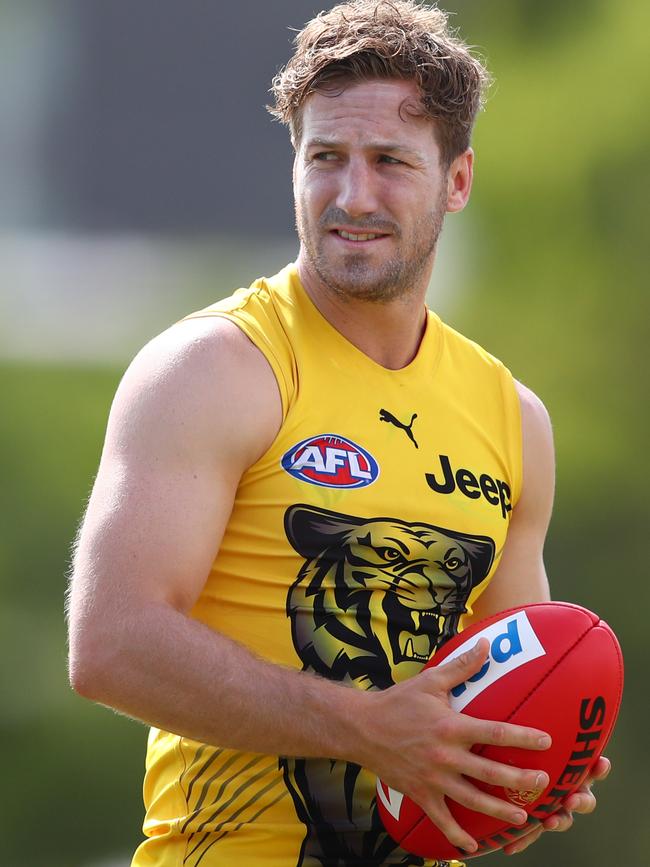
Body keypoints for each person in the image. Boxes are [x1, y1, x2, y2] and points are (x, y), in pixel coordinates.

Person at [66, 2, 609, 865]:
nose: (353, 196)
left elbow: (506, 688)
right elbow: (112, 644)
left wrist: (528, 776)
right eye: (326, 158)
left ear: (458, 180)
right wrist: (369, 730)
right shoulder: (212, 369)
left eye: (390, 162)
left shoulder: (514, 419)